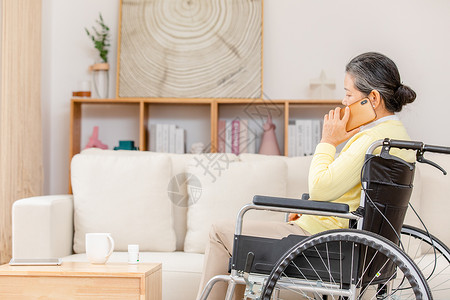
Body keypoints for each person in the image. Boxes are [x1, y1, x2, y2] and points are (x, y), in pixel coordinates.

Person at [196, 52, 417, 300]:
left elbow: (321, 187)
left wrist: (328, 141)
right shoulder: (397, 138)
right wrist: (312, 208)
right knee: (241, 252)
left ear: (372, 99)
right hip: (345, 242)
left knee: (219, 233)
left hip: (321, 243)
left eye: (349, 94)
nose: (344, 102)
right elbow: (354, 197)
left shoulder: (369, 140)